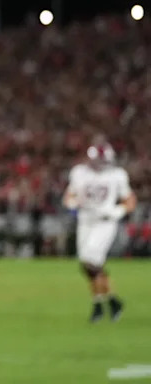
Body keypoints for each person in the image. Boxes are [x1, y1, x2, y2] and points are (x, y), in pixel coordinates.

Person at [62, 138, 136, 322]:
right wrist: (72, 203)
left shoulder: (117, 175)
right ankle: (110, 301)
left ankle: (100, 305)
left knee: (90, 261)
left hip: (104, 222)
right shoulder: (79, 173)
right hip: (85, 221)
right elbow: (69, 196)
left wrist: (117, 211)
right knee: (89, 266)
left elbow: (130, 200)